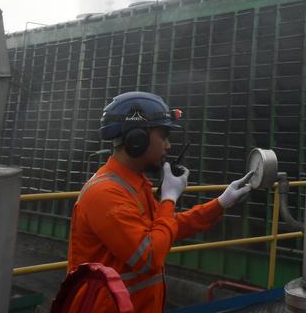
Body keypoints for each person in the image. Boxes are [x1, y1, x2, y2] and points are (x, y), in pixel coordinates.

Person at [67, 91, 254, 312]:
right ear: (137, 139)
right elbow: (148, 257)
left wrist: (221, 203)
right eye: (164, 135)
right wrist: (169, 198)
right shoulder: (106, 193)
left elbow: (166, 228)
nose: (168, 146)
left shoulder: (135, 184)